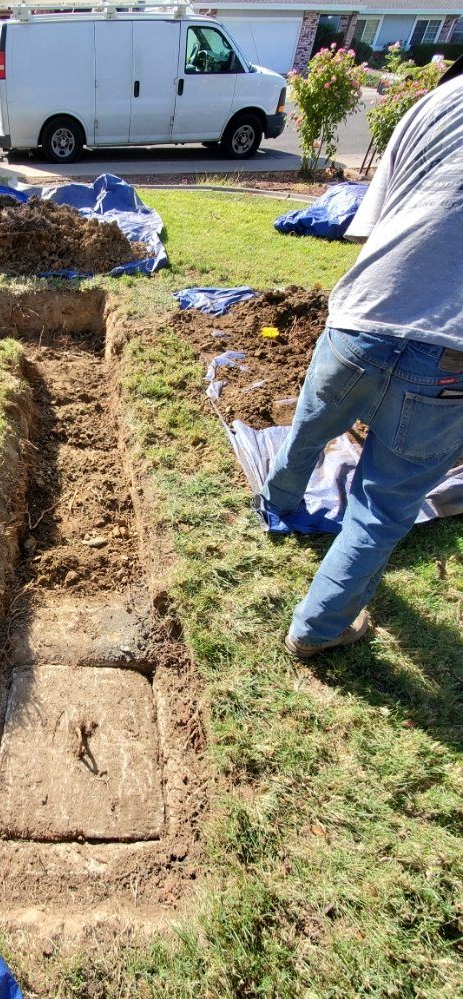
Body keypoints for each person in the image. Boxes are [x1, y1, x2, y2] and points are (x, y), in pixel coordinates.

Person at [259, 55, 463, 659]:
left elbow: (370, 225)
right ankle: (317, 631)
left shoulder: (429, 109)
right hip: (451, 347)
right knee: (384, 503)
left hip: (361, 318)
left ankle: (278, 503)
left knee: (312, 427)